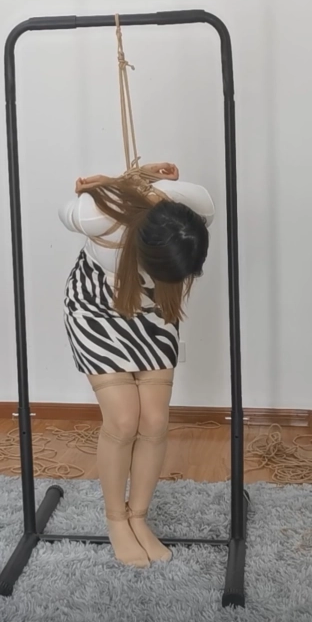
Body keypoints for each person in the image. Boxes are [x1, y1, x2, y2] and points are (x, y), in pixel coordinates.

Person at [58, 162, 215, 567]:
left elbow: (169, 195)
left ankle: (138, 518)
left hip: (153, 311)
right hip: (96, 309)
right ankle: (116, 520)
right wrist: (108, 187)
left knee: (155, 421)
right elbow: (66, 210)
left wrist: (144, 179)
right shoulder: (99, 218)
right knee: (124, 420)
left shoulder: (194, 205)